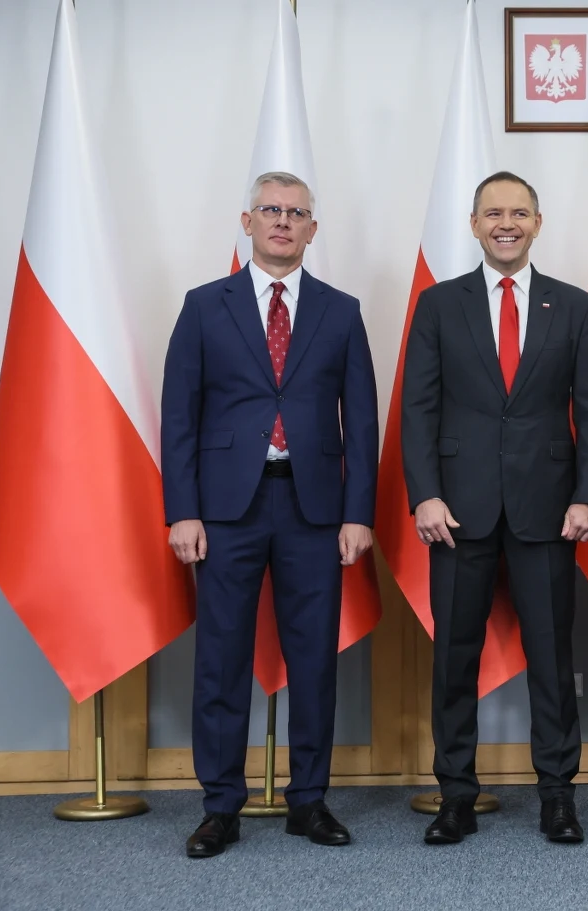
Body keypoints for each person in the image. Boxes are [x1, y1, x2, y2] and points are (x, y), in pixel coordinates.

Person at [161, 171, 378, 858]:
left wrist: (358, 512)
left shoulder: (341, 311)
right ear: (248, 221)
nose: (283, 221)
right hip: (226, 510)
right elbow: (179, 416)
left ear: (312, 229)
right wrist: (183, 511)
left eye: (296, 212)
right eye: (271, 210)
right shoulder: (205, 305)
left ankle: (308, 800)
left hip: (314, 509)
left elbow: (362, 422)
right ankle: (220, 806)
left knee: (313, 661)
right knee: (220, 659)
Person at [401, 171, 588, 845]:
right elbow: (417, 408)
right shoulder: (439, 304)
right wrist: (424, 493)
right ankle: (455, 796)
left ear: (537, 224)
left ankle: (558, 795)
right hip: (456, 510)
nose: (506, 224)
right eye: (493, 213)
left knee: (552, 657)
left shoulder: (574, 307)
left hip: (548, 509)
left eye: (519, 213)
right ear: (474, 224)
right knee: (453, 660)